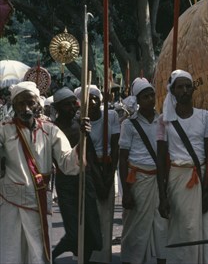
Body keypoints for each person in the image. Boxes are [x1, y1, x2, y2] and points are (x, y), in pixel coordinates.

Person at [0, 81, 88, 263]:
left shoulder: (50, 130)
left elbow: (67, 162)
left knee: (38, 254)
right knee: (11, 252)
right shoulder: (4, 130)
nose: (25, 108)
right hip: (11, 203)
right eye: (20, 103)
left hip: (39, 203)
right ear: (14, 105)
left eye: (30, 103)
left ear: (37, 104)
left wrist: (82, 141)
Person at [156, 69, 208, 263]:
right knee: (184, 230)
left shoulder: (205, 117)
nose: (184, 90)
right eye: (179, 87)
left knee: (204, 230)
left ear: (193, 89)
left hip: (201, 177)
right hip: (177, 179)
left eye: (188, 86)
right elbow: (161, 160)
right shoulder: (164, 121)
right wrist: (162, 196)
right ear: (172, 91)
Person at [119, 77, 167, 264]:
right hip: (138, 179)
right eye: (145, 96)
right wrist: (126, 191)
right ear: (137, 100)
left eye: (151, 95)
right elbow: (123, 158)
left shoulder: (162, 121)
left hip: (158, 179)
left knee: (161, 226)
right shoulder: (129, 125)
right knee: (135, 227)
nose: (149, 99)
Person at [51, 87, 103, 262]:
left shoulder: (80, 124)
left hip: (85, 179)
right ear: (57, 108)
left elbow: (91, 155)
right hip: (66, 183)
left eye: (74, 104)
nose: (72, 108)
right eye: (67, 105)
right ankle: (48, 257)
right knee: (73, 233)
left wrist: (85, 135)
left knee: (91, 231)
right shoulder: (52, 129)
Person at [76, 84, 121, 263]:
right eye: (89, 98)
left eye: (95, 97)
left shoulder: (112, 116)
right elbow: (84, 153)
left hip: (108, 168)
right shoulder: (80, 121)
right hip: (88, 172)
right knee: (90, 216)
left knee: (106, 215)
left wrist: (110, 176)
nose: (93, 101)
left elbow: (116, 146)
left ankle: (104, 257)